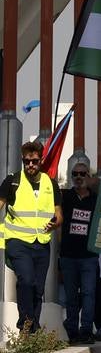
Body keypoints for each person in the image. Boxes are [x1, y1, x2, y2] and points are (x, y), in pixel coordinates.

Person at [2, 140, 62, 332]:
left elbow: (59, 215)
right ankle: (25, 325)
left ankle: (32, 329)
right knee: (26, 280)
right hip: (17, 242)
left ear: (40, 160)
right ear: (22, 160)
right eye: (27, 161)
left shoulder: (51, 184)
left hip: (42, 243)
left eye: (34, 161)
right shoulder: (12, 181)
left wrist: (56, 222)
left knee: (38, 289)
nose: (30, 165)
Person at [58, 154, 99, 343]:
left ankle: (86, 330)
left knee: (89, 294)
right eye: (75, 174)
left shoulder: (96, 200)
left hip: (89, 256)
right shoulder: (65, 196)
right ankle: (72, 330)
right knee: (71, 296)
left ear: (88, 176)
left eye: (83, 173)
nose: (79, 177)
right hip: (68, 256)